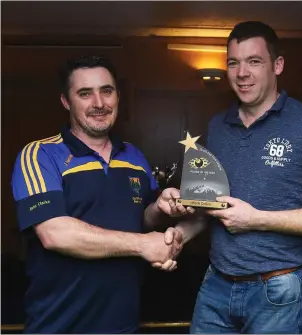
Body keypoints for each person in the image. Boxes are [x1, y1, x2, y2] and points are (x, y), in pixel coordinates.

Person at [160, 21, 302, 333]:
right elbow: (212, 209)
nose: (241, 73)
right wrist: (180, 234)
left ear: (277, 65)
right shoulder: (218, 126)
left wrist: (258, 219)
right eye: (233, 62)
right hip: (216, 284)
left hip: (278, 289)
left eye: (254, 61)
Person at [11, 55, 189, 334]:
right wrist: (143, 245)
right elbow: (55, 233)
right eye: (85, 93)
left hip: (124, 324)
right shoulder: (40, 154)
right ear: (66, 101)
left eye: (107, 91)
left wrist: (160, 208)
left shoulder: (134, 156)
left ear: (118, 96)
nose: (99, 104)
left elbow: (140, 220)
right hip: (58, 327)